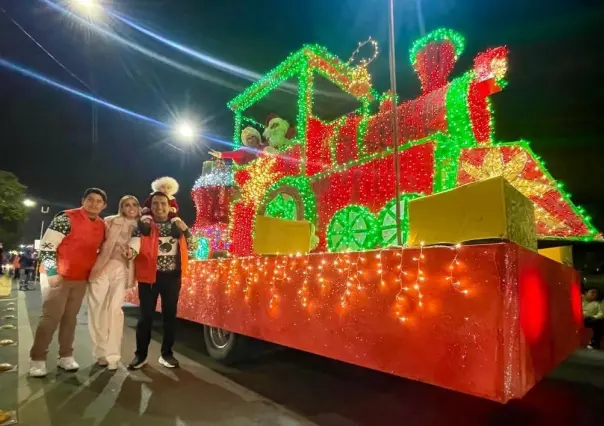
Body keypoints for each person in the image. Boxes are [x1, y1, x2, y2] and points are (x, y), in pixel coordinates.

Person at [29, 188, 107, 377]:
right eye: (90, 199)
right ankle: (37, 359)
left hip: (80, 279)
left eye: (99, 201)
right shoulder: (66, 218)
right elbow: (47, 246)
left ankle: (66, 356)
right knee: (50, 319)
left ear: (103, 206)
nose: (94, 204)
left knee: (70, 319)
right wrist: (52, 272)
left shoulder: (102, 225)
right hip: (58, 276)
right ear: (83, 200)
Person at [127, 191, 196, 369]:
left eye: (163, 203)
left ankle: (167, 354)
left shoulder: (178, 225)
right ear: (150, 206)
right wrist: (130, 253)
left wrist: (186, 229)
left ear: (169, 206)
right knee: (145, 318)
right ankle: (140, 356)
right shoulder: (143, 225)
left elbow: (193, 245)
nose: (159, 207)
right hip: (148, 278)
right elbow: (134, 244)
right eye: (155, 203)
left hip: (172, 278)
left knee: (169, 317)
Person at [87, 195, 140, 371]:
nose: (130, 208)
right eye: (126, 205)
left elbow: (143, 247)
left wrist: (132, 253)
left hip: (122, 270)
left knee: (115, 311)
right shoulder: (109, 221)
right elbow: (93, 240)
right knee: (97, 309)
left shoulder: (142, 225)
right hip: (101, 267)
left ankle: (113, 356)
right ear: (121, 207)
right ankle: (100, 352)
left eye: (134, 204)